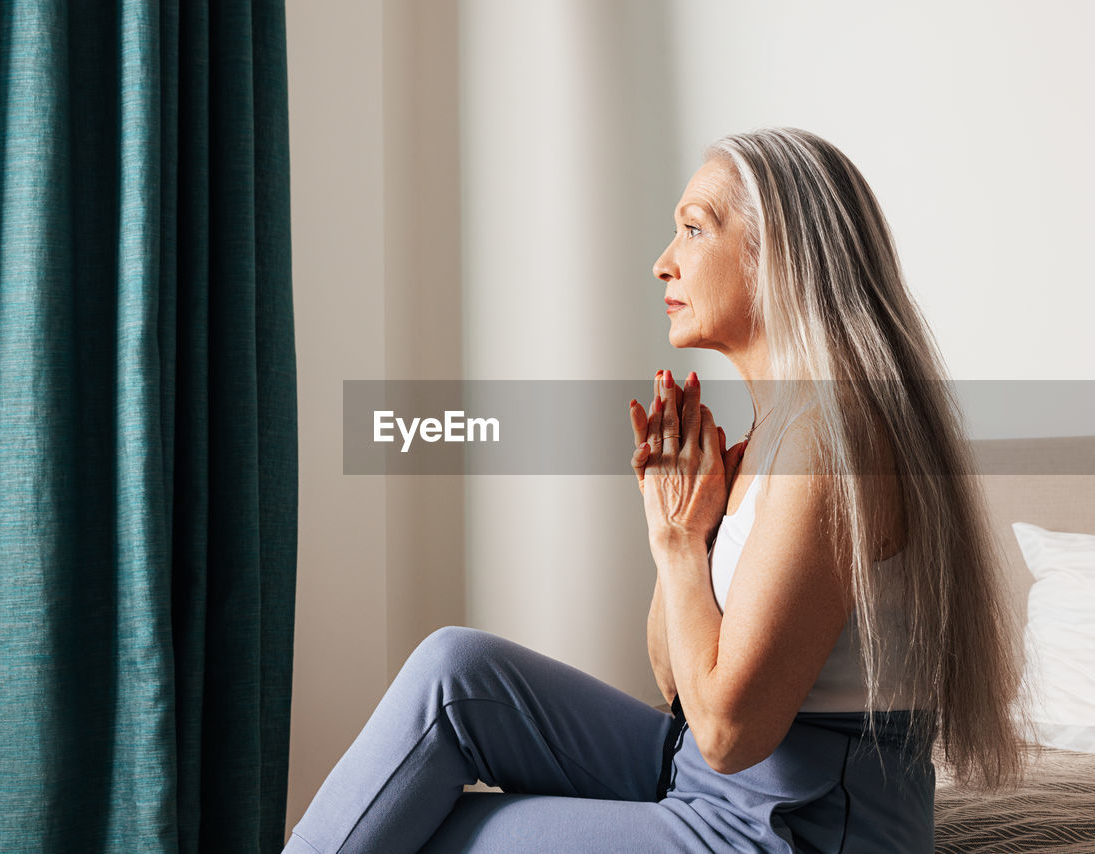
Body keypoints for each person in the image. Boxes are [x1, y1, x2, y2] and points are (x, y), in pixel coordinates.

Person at [282, 127, 1027, 853]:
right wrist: (682, 525)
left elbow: (730, 733)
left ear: (780, 258)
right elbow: (677, 682)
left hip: (790, 826)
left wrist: (677, 547)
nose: (662, 263)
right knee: (454, 673)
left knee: (430, 832)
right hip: (708, 779)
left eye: (694, 230)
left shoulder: (833, 444)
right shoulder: (775, 434)